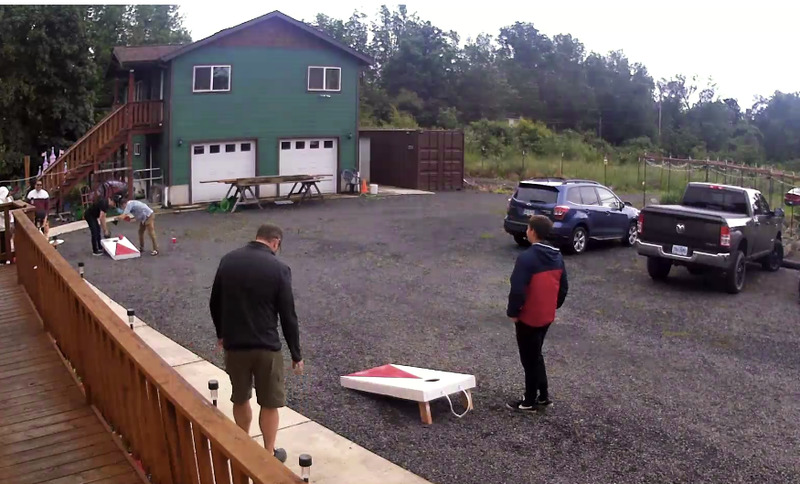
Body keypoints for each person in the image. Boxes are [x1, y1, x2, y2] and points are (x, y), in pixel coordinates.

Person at [209, 223, 303, 463]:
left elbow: (214, 302)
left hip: (235, 346)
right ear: (276, 242)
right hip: (266, 347)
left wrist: (222, 333)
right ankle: (269, 452)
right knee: (270, 401)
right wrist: (296, 353)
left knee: (240, 397)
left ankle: (243, 445)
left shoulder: (228, 260)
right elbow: (288, 314)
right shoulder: (279, 268)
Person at [506, 215, 569, 410]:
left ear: (532, 231)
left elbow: (517, 288)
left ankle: (530, 400)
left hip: (529, 317)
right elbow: (563, 287)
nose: (526, 231)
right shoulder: (557, 257)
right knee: (536, 355)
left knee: (529, 358)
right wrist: (553, 306)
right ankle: (543, 395)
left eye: (528, 228)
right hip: (546, 316)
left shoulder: (526, 258)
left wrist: (513, 312)